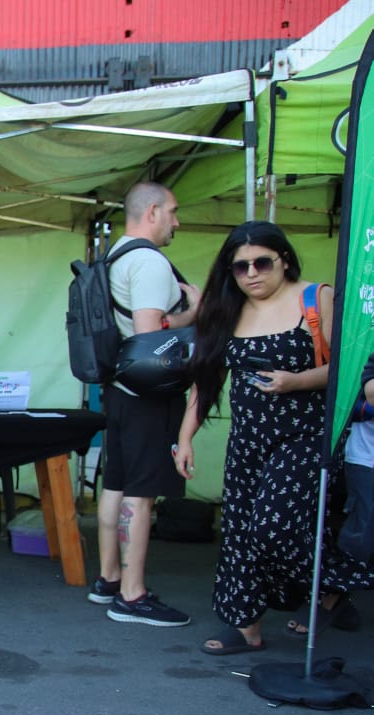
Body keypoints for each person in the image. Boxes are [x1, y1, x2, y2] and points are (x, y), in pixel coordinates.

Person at [175, 220, 374, 654]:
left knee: (272, 525)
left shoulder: (315, 298)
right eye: (240, 267)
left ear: (283, 259)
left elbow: (352, 366)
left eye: (261, 262)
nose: (251, 274)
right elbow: (204, 381)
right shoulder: (227, 309)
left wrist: (296, 381)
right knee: (241, 530)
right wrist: (185, 437)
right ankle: (246, 626)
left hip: (305, 437)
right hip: (247, 440)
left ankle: (335, 585)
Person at [90, 182, 201, 627]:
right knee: (141, 491)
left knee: (116, 482)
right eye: (172, 212)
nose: (176, 221)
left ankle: (109, 579)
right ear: (152, 211)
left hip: (119, 389)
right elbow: (153, 332)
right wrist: (197, 308)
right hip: (149, 395)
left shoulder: (113, 257)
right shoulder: (150, 262)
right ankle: (133, 596)